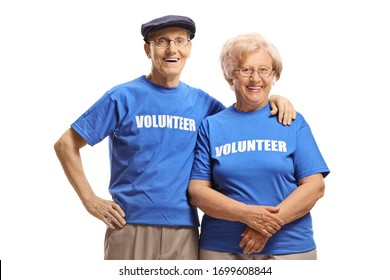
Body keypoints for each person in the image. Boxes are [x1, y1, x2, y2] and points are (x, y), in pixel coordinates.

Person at [54, 15, 296, 260]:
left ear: (189, 48)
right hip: (129, 225)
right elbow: (66, 144)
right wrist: (89, 200)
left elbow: (243, 116)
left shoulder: (204, 104)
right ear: (148, 49)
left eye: (180, 41)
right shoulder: (123, 97)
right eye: (162, 41)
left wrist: (274, 99)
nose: (172, 49)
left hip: (185, 229)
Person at [188, 32, 330, 260]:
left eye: (264, 70)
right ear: (229, 77)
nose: (256, 78)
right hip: (221, 249)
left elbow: (315, 186)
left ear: (274, 75)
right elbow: (197, 192)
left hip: (289, 248)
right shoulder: (212, 126)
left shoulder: (291, 121)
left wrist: (267, 225)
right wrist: (248, 216)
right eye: (245, 70)